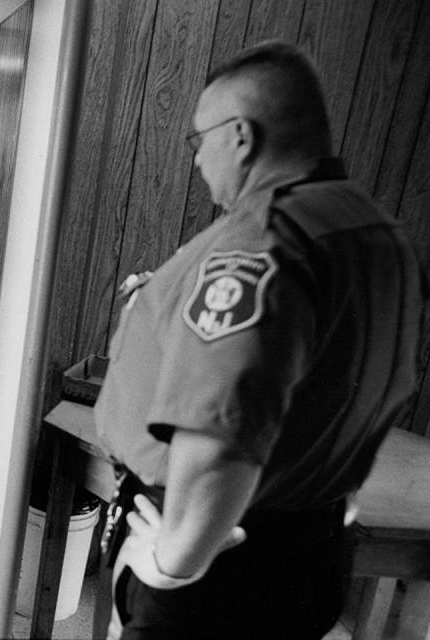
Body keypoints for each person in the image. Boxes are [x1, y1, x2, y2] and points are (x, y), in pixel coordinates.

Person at [91, 41, 424, 640]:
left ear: (240, 135)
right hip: (312, 543)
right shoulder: (379, 235)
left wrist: (169, 568)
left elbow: (221, 443)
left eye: (198, 141)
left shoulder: (260, 242)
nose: (196, 161)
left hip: (214, 566)